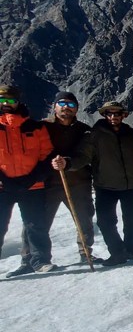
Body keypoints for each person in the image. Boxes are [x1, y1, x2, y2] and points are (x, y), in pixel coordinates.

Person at [9, 91, 101, 278]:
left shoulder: (84, 130)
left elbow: (85, 155)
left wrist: (68, 163)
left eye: (71, 105)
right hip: (48, 183)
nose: (66, 108)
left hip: (78, 183)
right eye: (62, 104)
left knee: (84, 220)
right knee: (36, 223)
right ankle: (30, 260)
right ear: (55, 106)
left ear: (77, 109)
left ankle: (86, 253)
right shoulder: (42, 127)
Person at [53, 101, 133, 266]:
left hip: (131, 185)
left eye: (117, 113)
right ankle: (117, 252)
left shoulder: (131, 134)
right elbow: (83, 156)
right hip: (106, 186)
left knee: (131, 222)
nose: (113, 117)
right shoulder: (94, 135)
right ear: (104, 115)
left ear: (123, 115)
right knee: (106, 222)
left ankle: (132, 250)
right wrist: (67, 163)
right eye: (109, 114)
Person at [0, 85, 55, 275]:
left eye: (10, 101)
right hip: (2, 186)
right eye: (2, 101)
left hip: (32, 185)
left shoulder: (36, 127)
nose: (6, 104)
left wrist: (33, 178)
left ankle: (40, 261)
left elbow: (47, 155)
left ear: (18, 102)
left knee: (36, 225)